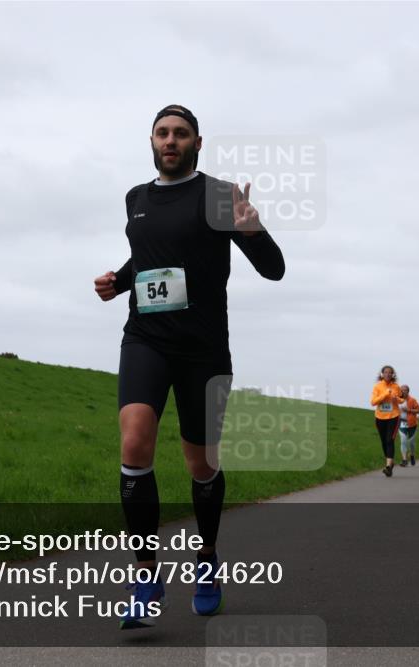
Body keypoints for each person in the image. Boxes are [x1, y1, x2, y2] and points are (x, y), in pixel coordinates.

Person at [94, 105, 285, 629]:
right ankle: (145, 576)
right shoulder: (136, 198)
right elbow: (149, 258)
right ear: (152, 141)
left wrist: (252, 230)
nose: (170, 140)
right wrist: (119, 281)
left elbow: (274, 270)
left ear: (198, 142)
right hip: (145, 339)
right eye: (162, 133)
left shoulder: (219, 196)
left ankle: (206, 559)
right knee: (135, 442)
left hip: (203, 349)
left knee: (200, 464)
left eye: (180, 133)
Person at [371, 366, 402, 476]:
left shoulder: (396, 387)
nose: (388, 374)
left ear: (393, 374)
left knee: (389, 440)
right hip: (380, 417)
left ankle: (388, 466)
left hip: (393, 416)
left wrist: (396, 399)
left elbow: (402, 399)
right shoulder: (377, 386)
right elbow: (373, 402)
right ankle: (390, 461)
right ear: (382, 374)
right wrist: (384, 394)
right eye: (386, 372)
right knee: (384, 441)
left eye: (390, 372)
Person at [397, 384, 419, 466]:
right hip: (401, 423)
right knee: (403, 441)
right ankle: (404, 460)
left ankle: (412, 455)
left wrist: (409, 410)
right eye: (402, 390)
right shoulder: (397, 400)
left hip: (412, 424)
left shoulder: (412, 400)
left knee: (411, 443)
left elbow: (418, 410)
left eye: (405, 390)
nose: (403, 391)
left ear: (408, 391)